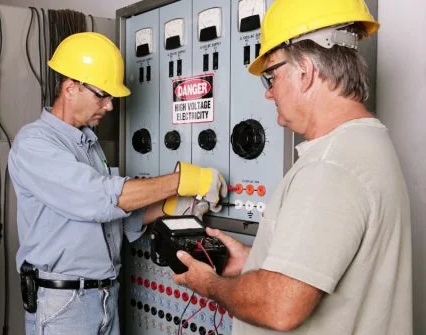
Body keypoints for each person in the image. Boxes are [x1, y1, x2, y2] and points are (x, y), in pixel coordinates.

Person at [173, 0, 412, 334]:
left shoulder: (330, 166)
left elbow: (280, 307)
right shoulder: (367, 144)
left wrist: (209, 284)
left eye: (271, 76)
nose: (269, 94)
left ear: (305, 73)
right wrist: (254, 260)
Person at [7, 31, 228, 335]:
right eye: (103, 95)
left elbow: (116, 220)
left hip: (105, 297)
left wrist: (168, 206)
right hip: (64, 304)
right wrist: (182, 181)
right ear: (71, 88)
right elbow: (99, 198)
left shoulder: (89, 145)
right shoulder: (35, 143)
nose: (110, 106)